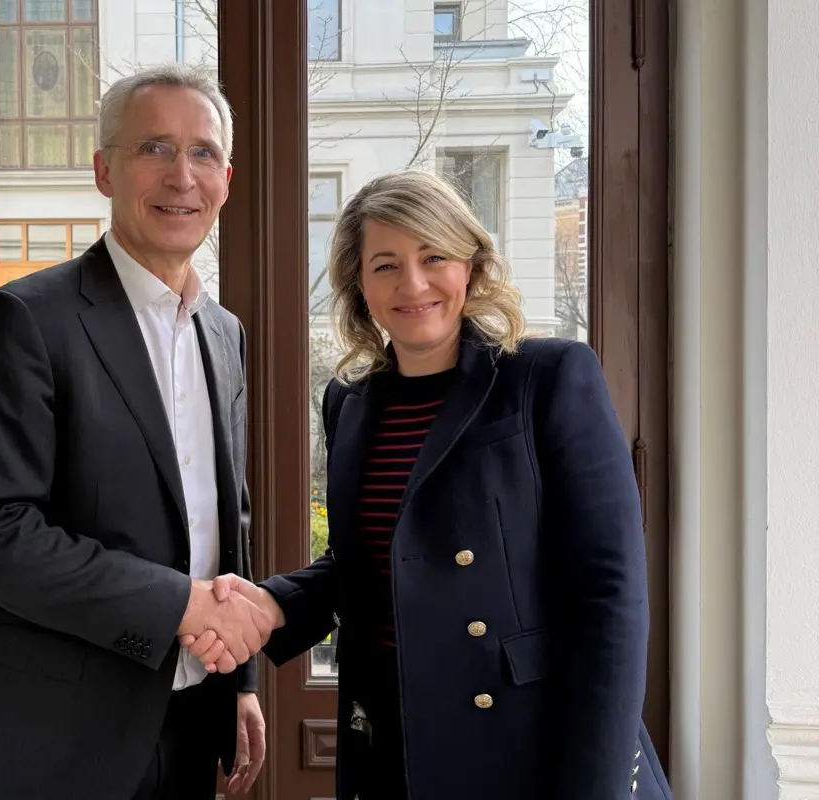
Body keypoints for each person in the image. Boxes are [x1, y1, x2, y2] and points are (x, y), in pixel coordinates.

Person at [184, 169, 673, 799]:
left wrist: (595, 785)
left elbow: (612, 595)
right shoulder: (350, 404)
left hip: (529, 747)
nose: (412, 284)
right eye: (385, 264)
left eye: (433, 256)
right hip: (392, 740)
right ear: (359, 285)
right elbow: (362, 563)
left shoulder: (545, 378)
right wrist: (269, 604)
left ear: (470, 265)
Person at [0, 63, 276, 800]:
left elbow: (225, 518)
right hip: (47, 734)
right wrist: (179, 605)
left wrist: (240, 677)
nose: (182, 175)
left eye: (203, 152)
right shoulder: (23, 320)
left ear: (227, 177)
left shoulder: (224, 333)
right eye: (154, 148)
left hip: (190, 715)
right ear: (104, 171)